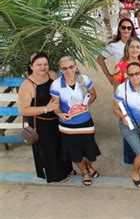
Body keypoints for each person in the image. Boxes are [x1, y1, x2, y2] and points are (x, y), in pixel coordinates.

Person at [18, 52, 72, 183]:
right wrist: (46, 108)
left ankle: (67, 169)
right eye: (38, 65)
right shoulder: (27, 85)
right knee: (50, 150)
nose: (42, 67)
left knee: (62, 145)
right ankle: (56, 175)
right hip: (41, 124)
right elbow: (23, 110)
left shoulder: (52, 75)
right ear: (31, 66)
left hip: (57, 118)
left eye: (45, 64)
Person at [50, 56, 100, 186]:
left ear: (76, 66)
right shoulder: (56, 85)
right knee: (75, 152)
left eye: (71, 67)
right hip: (67, 125)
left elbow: (93, 94)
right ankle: (84, 172)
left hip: (85, 121)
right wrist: (60, 114)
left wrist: (88, 103)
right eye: (64, 68)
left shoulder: (84, 79)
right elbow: (56, 105)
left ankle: (89, 166)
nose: (68, 70)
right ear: (60, 69)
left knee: (90, 152)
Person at [113, 62, 140, 188]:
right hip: (129, 125)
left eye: (137, 73)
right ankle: (135, 173)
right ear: (126, 75)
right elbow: (115, 109)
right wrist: (124, 117)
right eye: (131, 75)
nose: (134, 77)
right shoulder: (121, 89)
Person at [97, 18, 136, 86]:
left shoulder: (138, 42)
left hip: (136, 77)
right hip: (121, 79)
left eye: (129, 28)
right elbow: (99, 59)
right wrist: (109, 76)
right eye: (123, 27)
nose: (126, 30)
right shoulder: (114, 46)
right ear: (119, 29)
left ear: (132, 30)